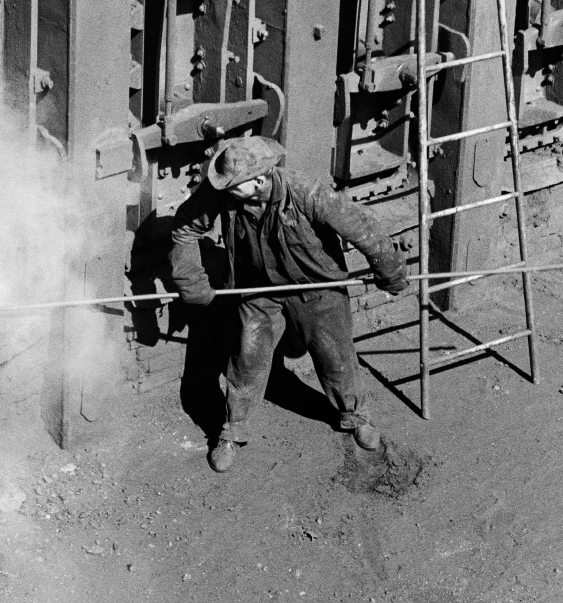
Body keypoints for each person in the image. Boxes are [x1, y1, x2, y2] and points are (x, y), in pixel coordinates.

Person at [170, 135, 408, 471]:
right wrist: (192, 281)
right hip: (258, 291)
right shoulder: (223, 193)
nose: (227, 192)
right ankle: (231, 431)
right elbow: (185, 228)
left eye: (235, 186)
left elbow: (362, 228)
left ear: (260, 179)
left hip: (316, 288)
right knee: (246, 361)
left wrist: (390, 272)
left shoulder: (307, 192)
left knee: (335, 356)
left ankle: (356, 416)